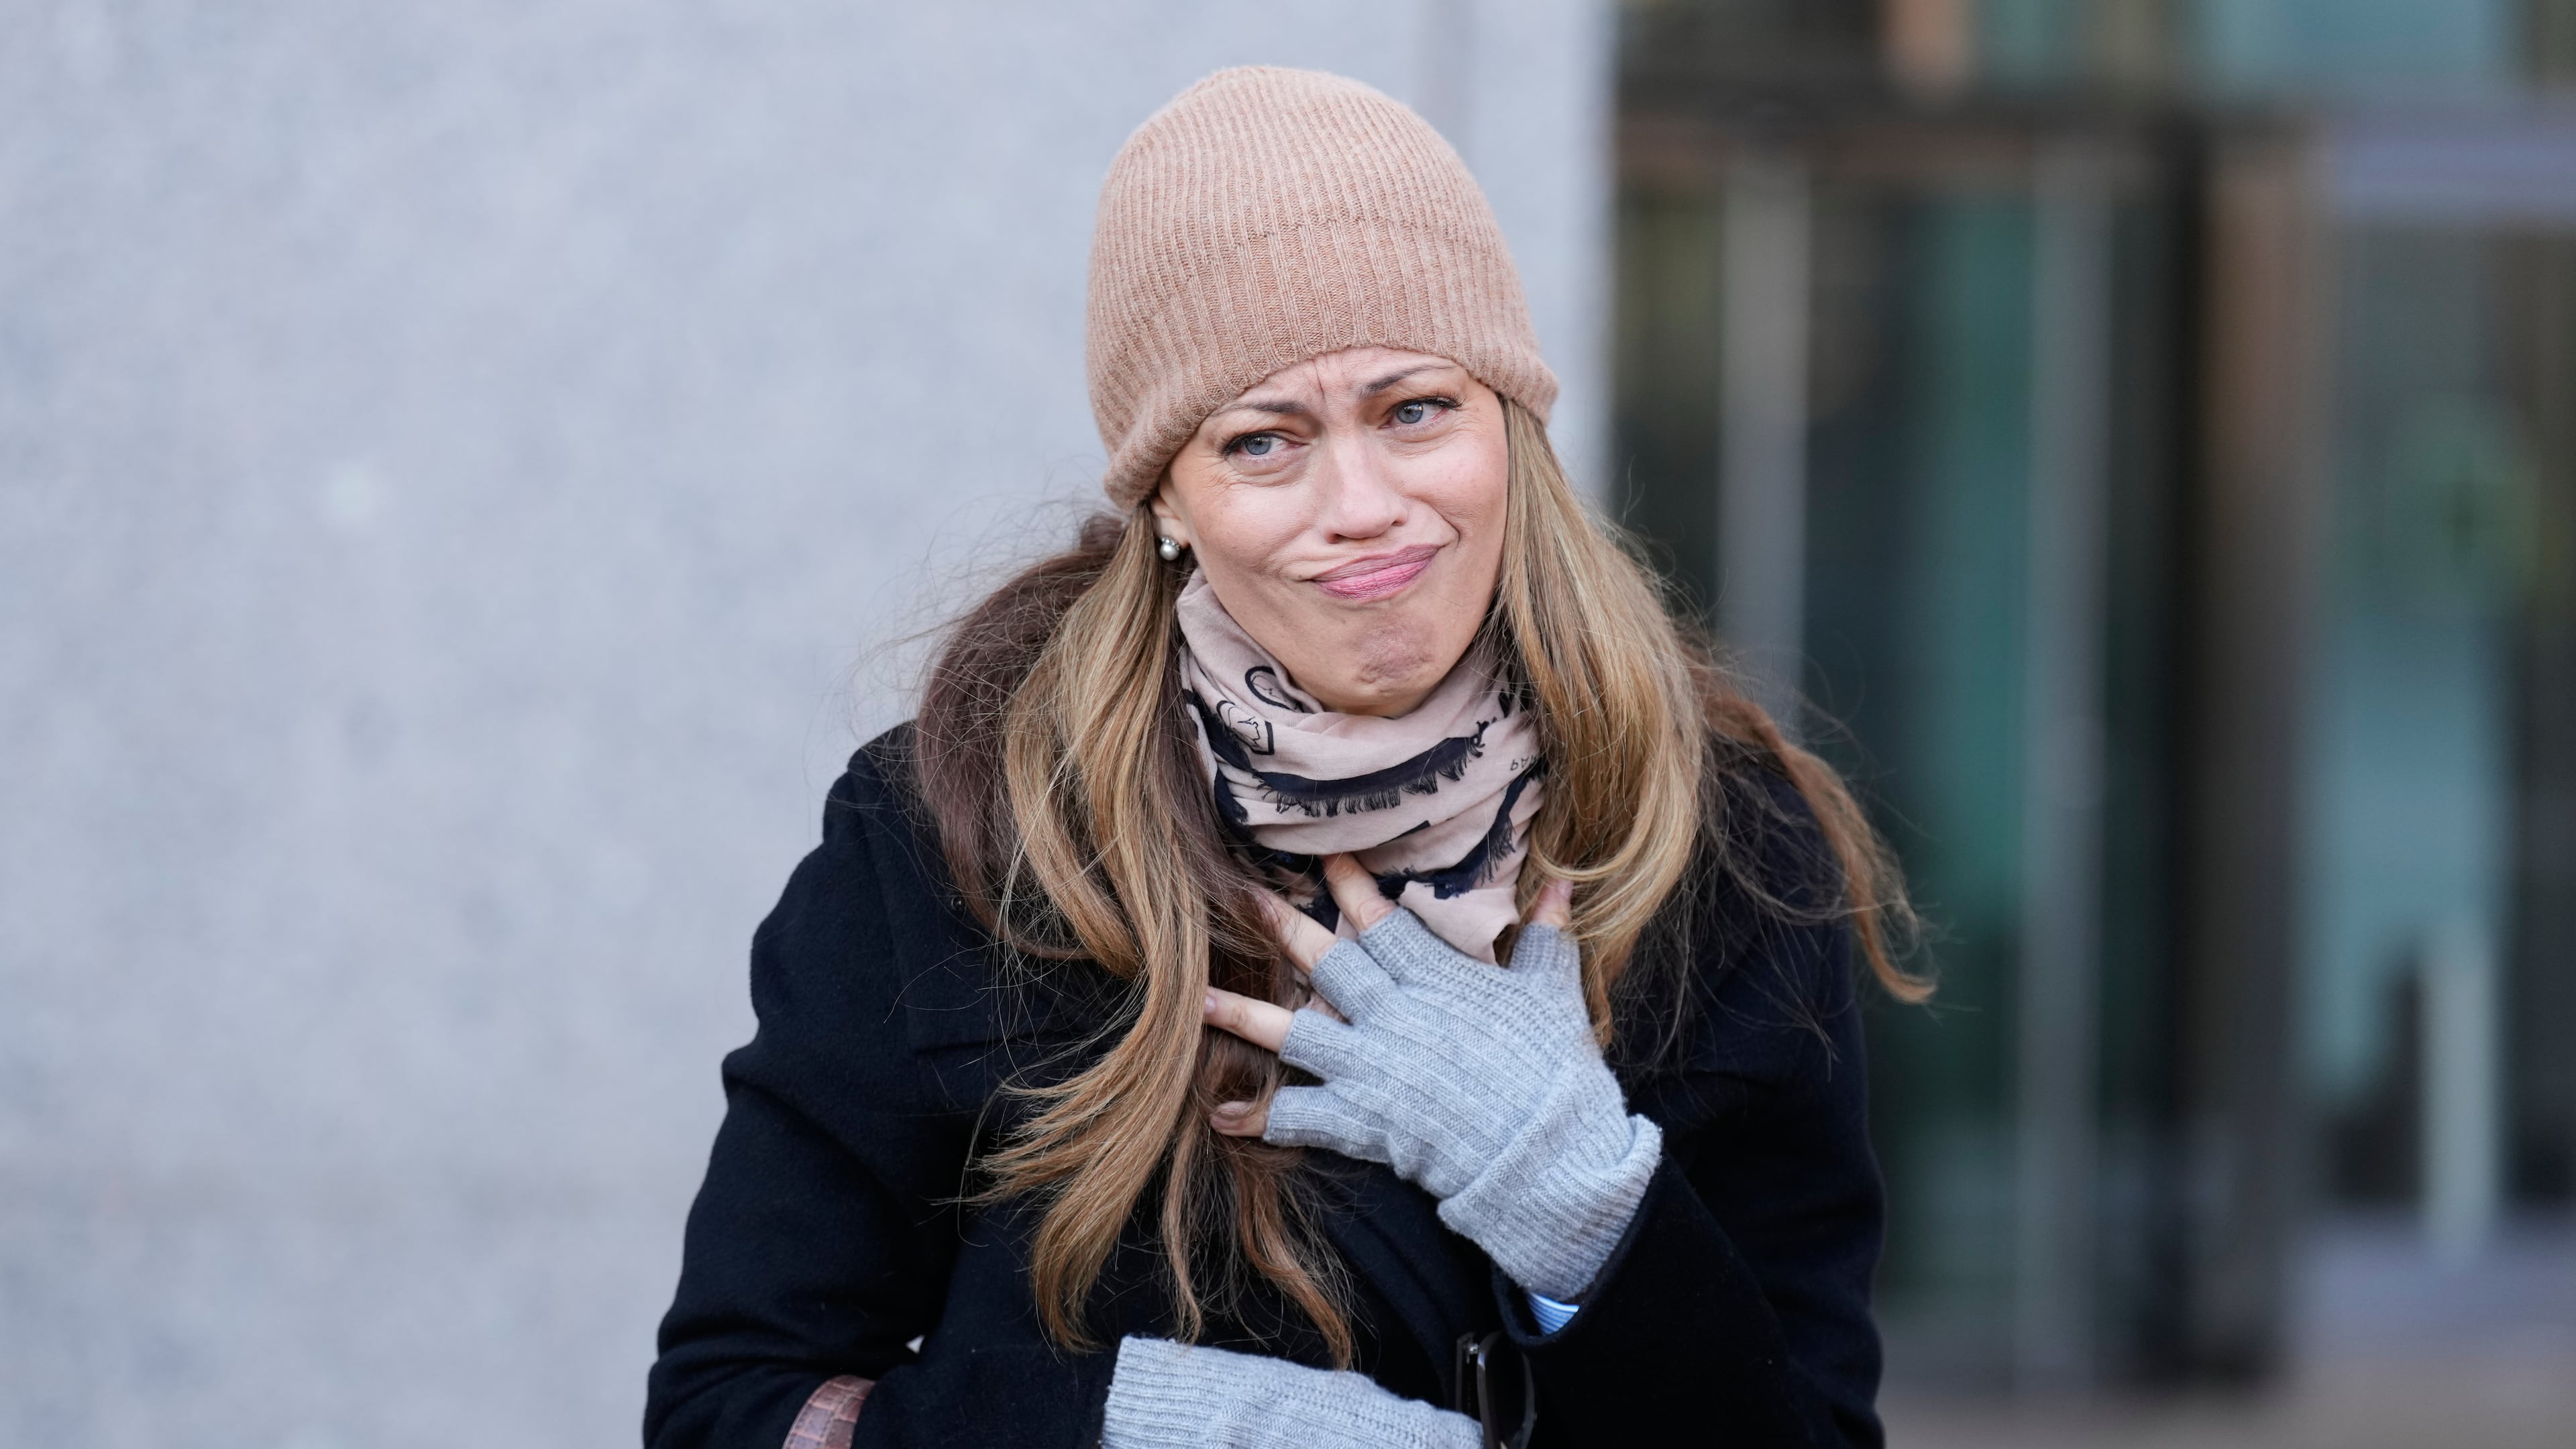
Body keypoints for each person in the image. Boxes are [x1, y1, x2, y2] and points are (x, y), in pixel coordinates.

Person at [644, 66, 1923, 1449]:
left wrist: (1574, 1199)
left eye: (1417, 410)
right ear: (1170, 500)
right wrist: (1164, 1430)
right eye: (1265, 441)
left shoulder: (1722, 843)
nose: (1364, 507)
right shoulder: (960, 830)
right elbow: (730, 1410)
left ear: (1511, 424)